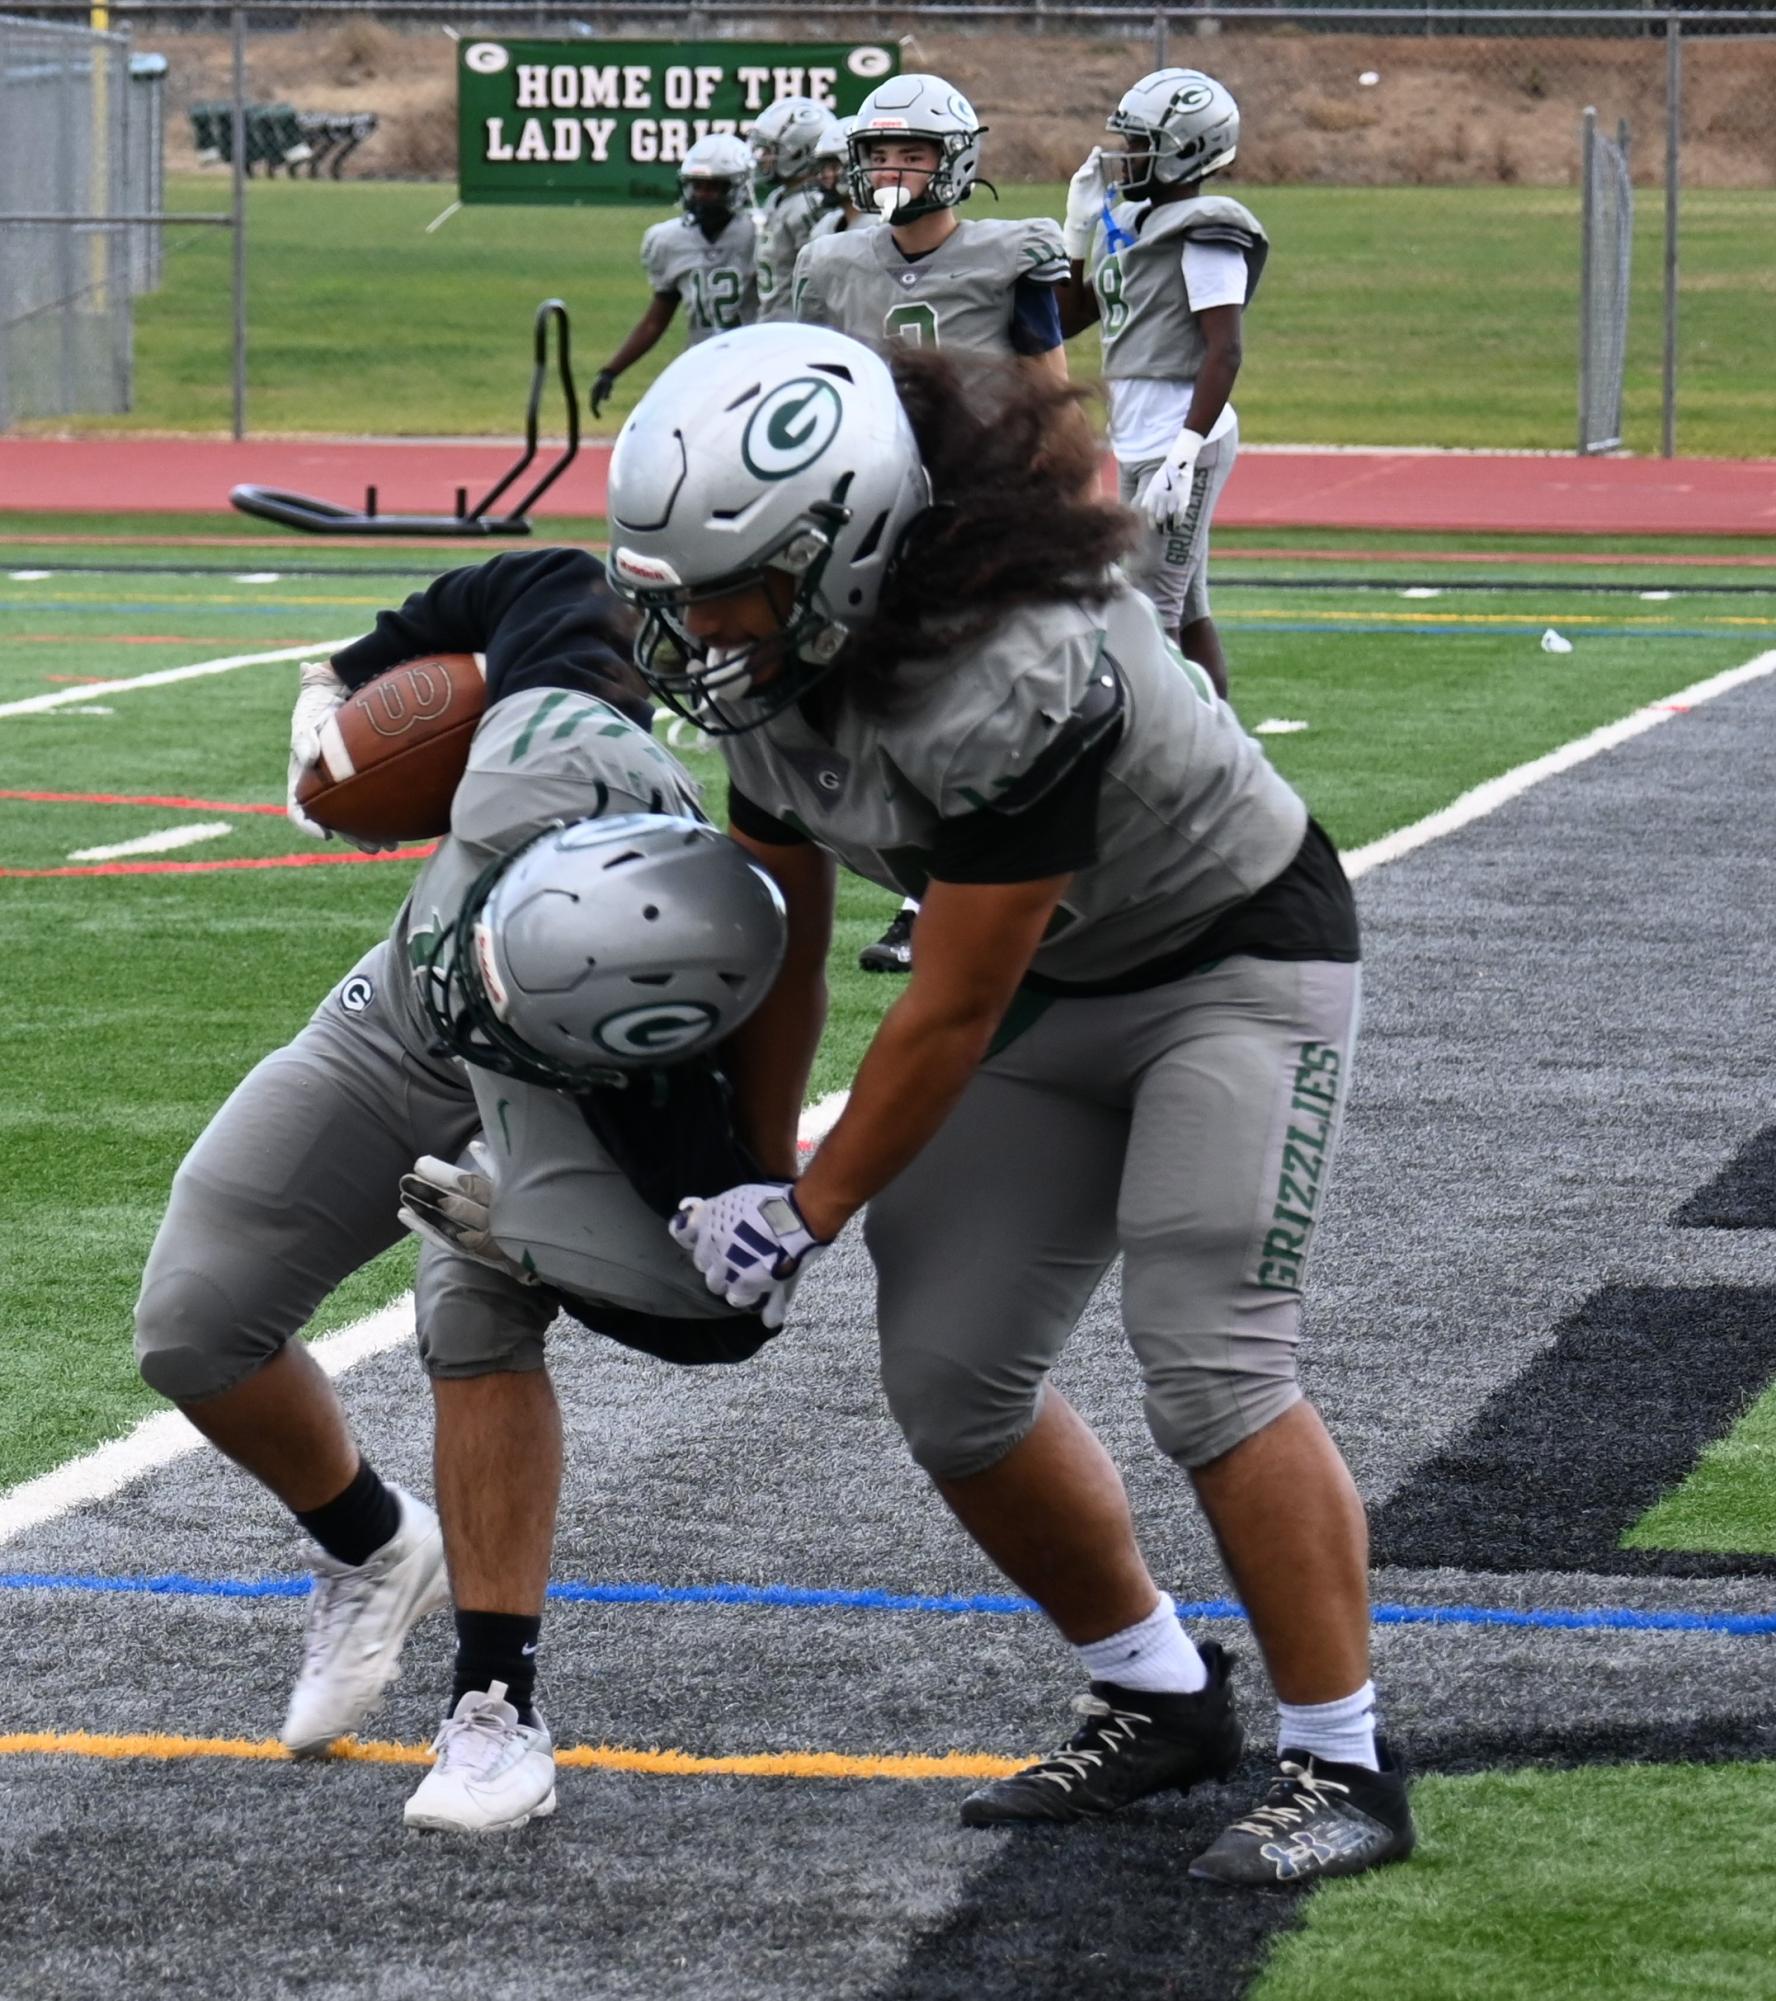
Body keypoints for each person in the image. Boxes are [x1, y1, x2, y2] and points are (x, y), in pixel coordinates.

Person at [604, 323, 1416, 1888]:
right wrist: (749, 1167)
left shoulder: (1014, 659)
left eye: (729, 588)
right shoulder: (784, 665)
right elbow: (784, 937)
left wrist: (813, 1209)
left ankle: (1345, 1757)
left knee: (1213, 1363)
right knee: (953, 1378)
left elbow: (956, 994)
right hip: (1059, 988)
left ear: (845, 555)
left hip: (1231, 955)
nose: (697, 628)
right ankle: (1161, 1693)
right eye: (680, 588)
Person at [133, 548, 787, 1835]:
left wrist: (537, 1248)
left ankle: (496, 1710)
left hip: (552, 1099)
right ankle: (374, 1544)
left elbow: (727, 1316)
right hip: (405, 1015)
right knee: (192, 1325)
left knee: (475, 1303)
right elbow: (544, 575)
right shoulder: (542, 728)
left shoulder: (658, 1056)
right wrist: (345, 677)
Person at [792, 72, 1071, 977]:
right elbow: (806, 391)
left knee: (981, 713)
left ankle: (987, 895)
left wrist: (1061, 500)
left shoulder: (1010, 254)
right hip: (873, 513)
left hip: (981, 511)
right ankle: (932, 886)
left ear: (955, 162)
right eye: (879, 154)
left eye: (912, 153)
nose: (893, 171)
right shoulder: (831, 262)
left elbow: (1050, 394)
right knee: (868, 719)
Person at [1055, 69, 1263, 701]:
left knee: (1150, 615)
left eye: (1141, 143)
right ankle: (1223, 749)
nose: (1128, 156)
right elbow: (1065, 319)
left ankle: (1172, 761)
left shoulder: (1205, 230)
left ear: (1187, 148)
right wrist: (1076, 233)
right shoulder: (1138, 222)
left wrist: (1184, 451)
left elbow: (1225, 351)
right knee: (1188, 609)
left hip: (1181, 439)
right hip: (1146, 437)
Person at [591, 133, 758, 423]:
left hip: (756, 362)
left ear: (738, 187)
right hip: (705, 363)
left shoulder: (760, 235)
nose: (703, 195)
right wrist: (611, 370)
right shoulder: (669, 240)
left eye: (714, 187)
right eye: (697, 186)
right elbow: (656, 320)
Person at [747, 96, 836, 324]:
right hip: (772, 320)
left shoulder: (808, 206)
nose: (762, 157)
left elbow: (821, 279)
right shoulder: (779, 197)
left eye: (770, 150)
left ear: (799, 153)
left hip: (795, 327)